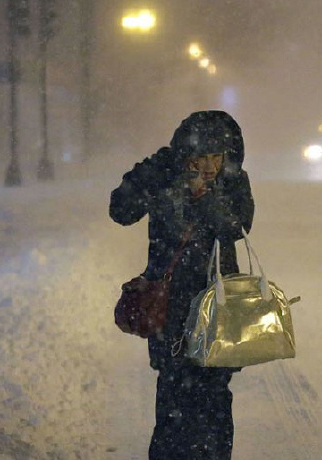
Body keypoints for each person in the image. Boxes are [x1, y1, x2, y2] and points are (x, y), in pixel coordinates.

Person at [109, 111, 254, 459]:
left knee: (215, 396)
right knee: (173, 394)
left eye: (216, 157)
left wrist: (204, 196)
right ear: (183, 155)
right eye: (199, 157)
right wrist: (151, 174)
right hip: (170, 307)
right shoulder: (163, 175)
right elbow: (121, 210)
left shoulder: (233, 181)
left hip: (219, 305)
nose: (208, 165)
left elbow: (236, 226)